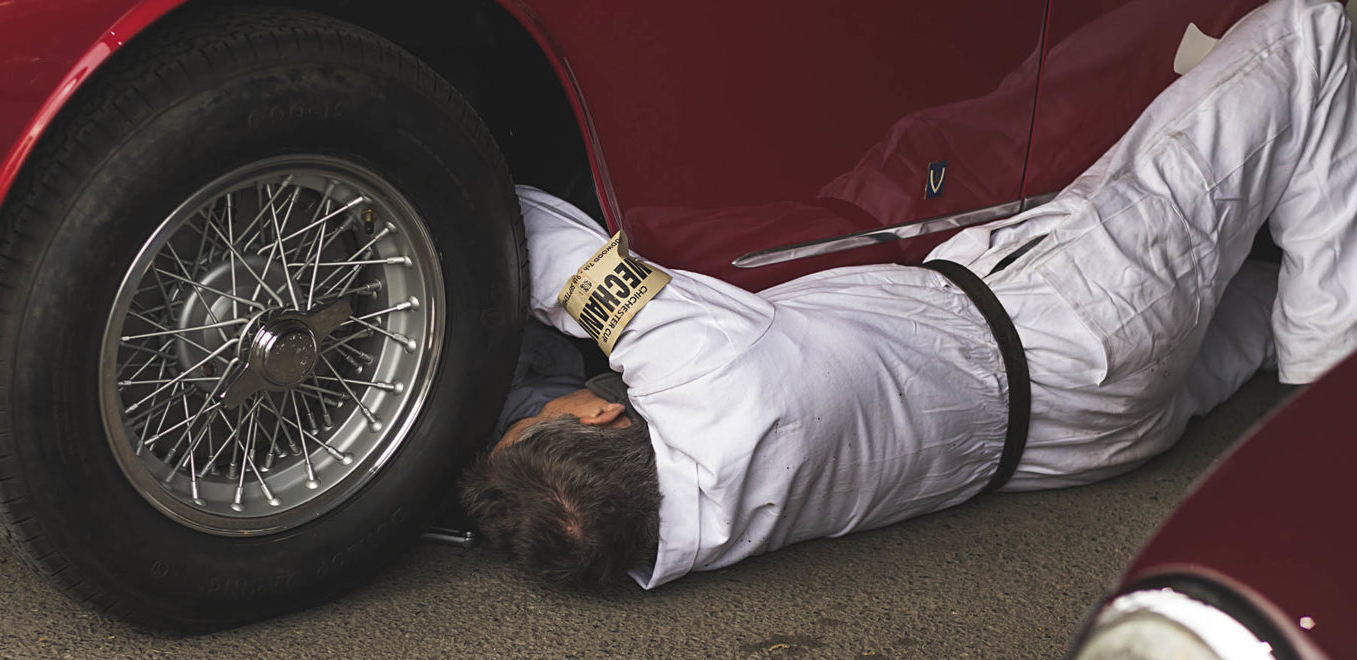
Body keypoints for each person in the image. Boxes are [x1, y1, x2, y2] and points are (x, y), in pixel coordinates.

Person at [461, 0, 1357, 588]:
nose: (555, 400)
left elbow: (563, 532)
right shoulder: (707, 371)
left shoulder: (667, 547)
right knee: (1307, 31)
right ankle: (1330, 398)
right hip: (1082, 311)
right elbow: (536, 238)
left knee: (1265, 281)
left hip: (1093, 441)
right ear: (605, 418)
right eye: (544, 413)